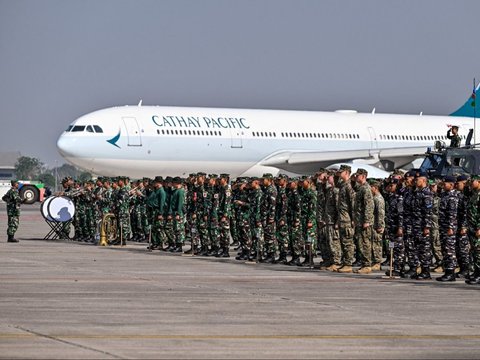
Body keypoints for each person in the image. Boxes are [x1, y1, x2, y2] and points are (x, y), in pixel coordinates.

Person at [436, 176, 459, 282]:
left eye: (446, 183)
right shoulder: (445, 195)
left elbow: (452, 213)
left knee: (449, 250)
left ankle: (451, 272)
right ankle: (448, 271)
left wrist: (450, 227)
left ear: (452, 184)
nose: (444, 185)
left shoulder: (453, 197)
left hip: (449, 227)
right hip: (443, 226)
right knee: (445, 249)